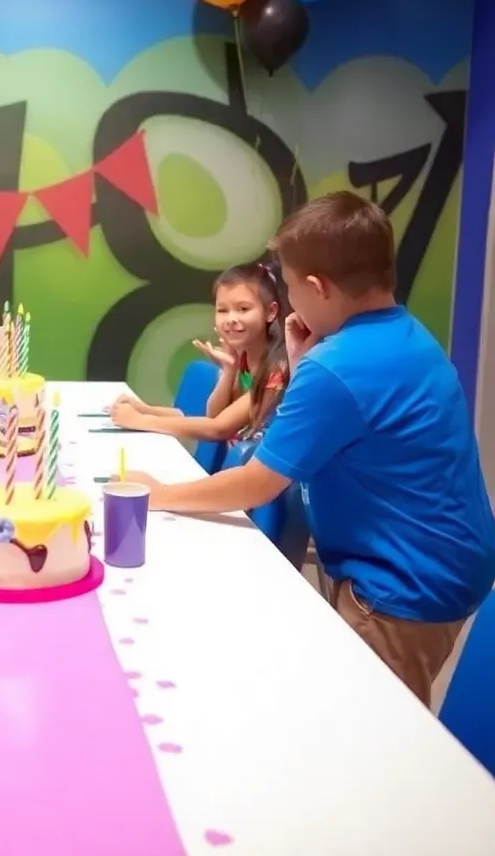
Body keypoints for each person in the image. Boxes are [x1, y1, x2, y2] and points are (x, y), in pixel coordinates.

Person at [121, 192, 495, 706]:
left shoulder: (336, 365)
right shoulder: (409, 336)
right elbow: (351, 425)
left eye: (291, 287)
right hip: (453, 561)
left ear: (316, 288)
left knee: (374, 724)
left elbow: (257, 482)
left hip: (400, 587)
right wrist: (301, 364)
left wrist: (158, 494)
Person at [110, 262, 288, 443]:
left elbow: (218, 429)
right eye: (222, 310)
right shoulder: (243, 360)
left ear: (270, 312)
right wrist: (229, 370)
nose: (231, 319)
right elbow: (214, 415)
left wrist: (140, 420)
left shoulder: (277, 373)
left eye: (243, 309)